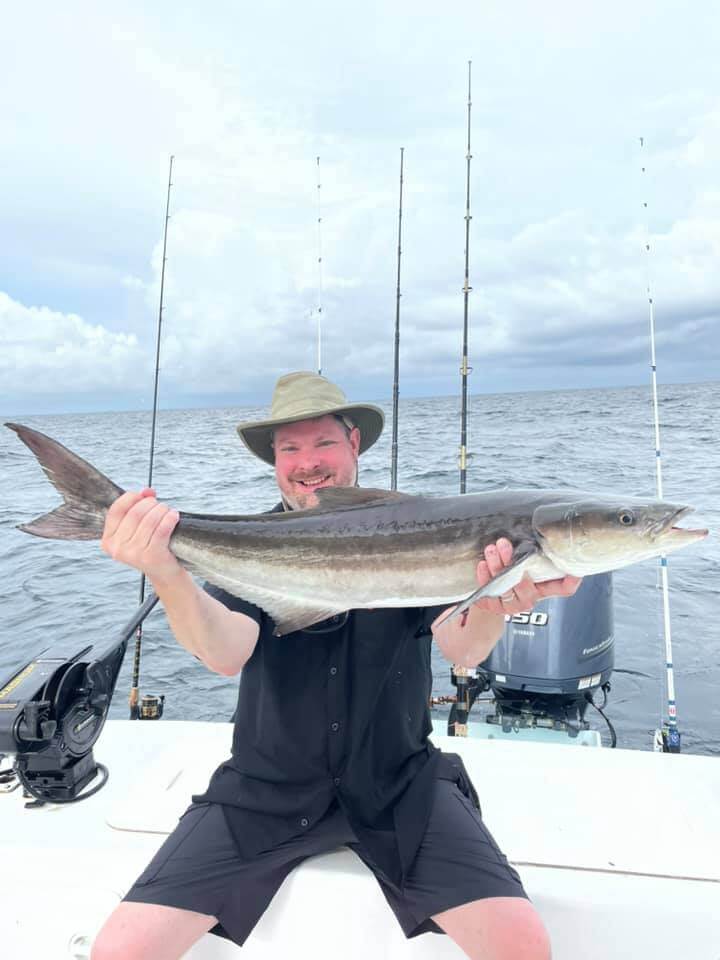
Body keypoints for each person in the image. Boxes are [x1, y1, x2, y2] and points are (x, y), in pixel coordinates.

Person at [90, 371, 581, 960]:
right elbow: (225, 654)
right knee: (120, 952)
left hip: (399, 785)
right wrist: (167, 572)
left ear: (355, 444)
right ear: (274, 461)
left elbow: (464, 650)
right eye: (289, 448)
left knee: (523, 948)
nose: (307, 462)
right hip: (264, 791)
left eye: (323, 443)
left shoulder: (421, 526)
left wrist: (499, 598)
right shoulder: (257, 542)